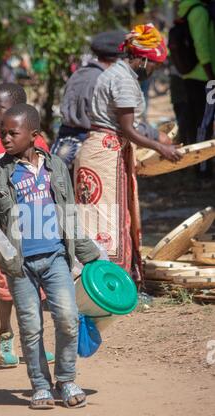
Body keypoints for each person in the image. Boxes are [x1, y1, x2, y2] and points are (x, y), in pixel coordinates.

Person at [0, 104, 100, 409]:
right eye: (2, 132)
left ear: (33, 136)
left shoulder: (56, 167)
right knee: (31, 327)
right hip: (19, 266)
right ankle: (41, 385)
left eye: (12, 133)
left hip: (56, 258)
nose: (4, 138)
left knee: (69, 319)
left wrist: (92, 256)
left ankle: (67, 379)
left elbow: (69, 217)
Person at [74, 24, 182, 284]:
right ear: (143, 59)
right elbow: (128, 129)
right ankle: (110, 285)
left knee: (98, 220)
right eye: (154, 65)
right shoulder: (122, 79)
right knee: (108, 222)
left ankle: (95, 284)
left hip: (99, 151)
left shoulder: (117, 73)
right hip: (106, 156)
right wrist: (161, 147)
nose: (154, 70)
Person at [0, 83, 54, 366]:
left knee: (36, 283)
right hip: (0, 227)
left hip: (36, 226)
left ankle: (35, 344)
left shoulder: (37, 143)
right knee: (5, 281)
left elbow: (49, 183)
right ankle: (5, 333)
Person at [51, 29, 168, 179]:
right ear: (120, 58)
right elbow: (123, 124)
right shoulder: (109, 81)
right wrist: (156, 136)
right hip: (91, 153)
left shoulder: (79, 74)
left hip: (63, 150)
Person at [178, 0, 215, 180]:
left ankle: (197, 165)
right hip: (204, 76)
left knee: (197, 122)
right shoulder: (199, 11)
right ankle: (203, 169)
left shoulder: (186, 9)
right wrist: (211, 75)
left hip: (192, 75)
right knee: (204, 124)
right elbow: (201, 44)